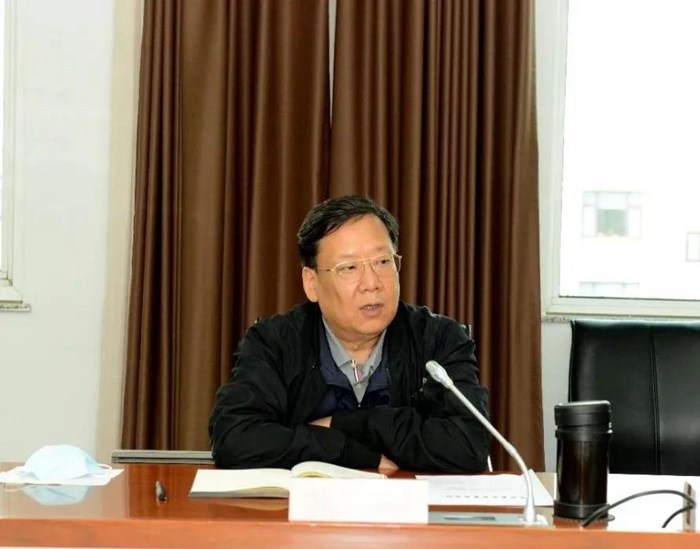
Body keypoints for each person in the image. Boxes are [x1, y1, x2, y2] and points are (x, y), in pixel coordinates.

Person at [209, 195, 491, 473]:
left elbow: (471, 445)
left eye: (382, 261)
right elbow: (234, 437)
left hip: (409, 502)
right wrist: (347, 451)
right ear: (311, 283)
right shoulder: (275, 343)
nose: (372, 283)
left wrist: (347, 424)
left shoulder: (438, 338)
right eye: (350, 267)